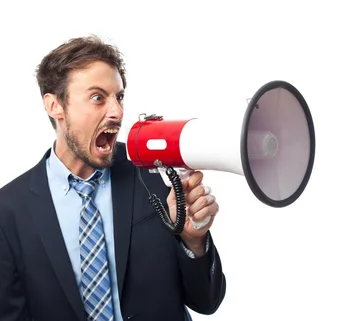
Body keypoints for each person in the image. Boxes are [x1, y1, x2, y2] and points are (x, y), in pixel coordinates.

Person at [0, 35, 226, 321]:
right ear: (55, 105)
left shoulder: (156, 174)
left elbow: (207, 302)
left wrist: (193, 241)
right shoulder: (8, 211)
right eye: (98, 98)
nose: (117, 112)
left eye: (118, 97)